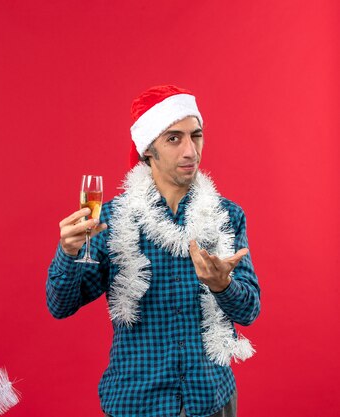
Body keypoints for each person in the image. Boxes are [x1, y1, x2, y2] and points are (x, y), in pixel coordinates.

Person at [46, 85, 260, 417]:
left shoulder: (227, 216)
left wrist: (222, 285)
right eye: (174, 139)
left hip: (212, 401)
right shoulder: (113, 220)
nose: (190, 151)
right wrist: (68, 253)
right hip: (137, 402)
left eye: (196, 136)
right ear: (148, 150)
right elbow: (60, 306)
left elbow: (249, 311)